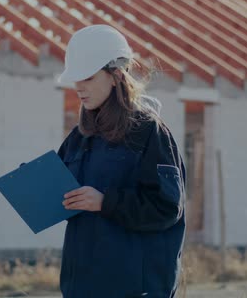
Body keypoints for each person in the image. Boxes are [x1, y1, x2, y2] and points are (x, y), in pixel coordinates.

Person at [57, 25, 186, 298]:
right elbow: (61, 193)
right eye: (75, 79)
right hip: (82, 285)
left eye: (88, 77)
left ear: (116, 75)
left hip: (132, 287)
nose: (78, 87)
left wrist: (105, 202)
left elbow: (166, 208)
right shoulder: (79, 137)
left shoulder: (149, 132)